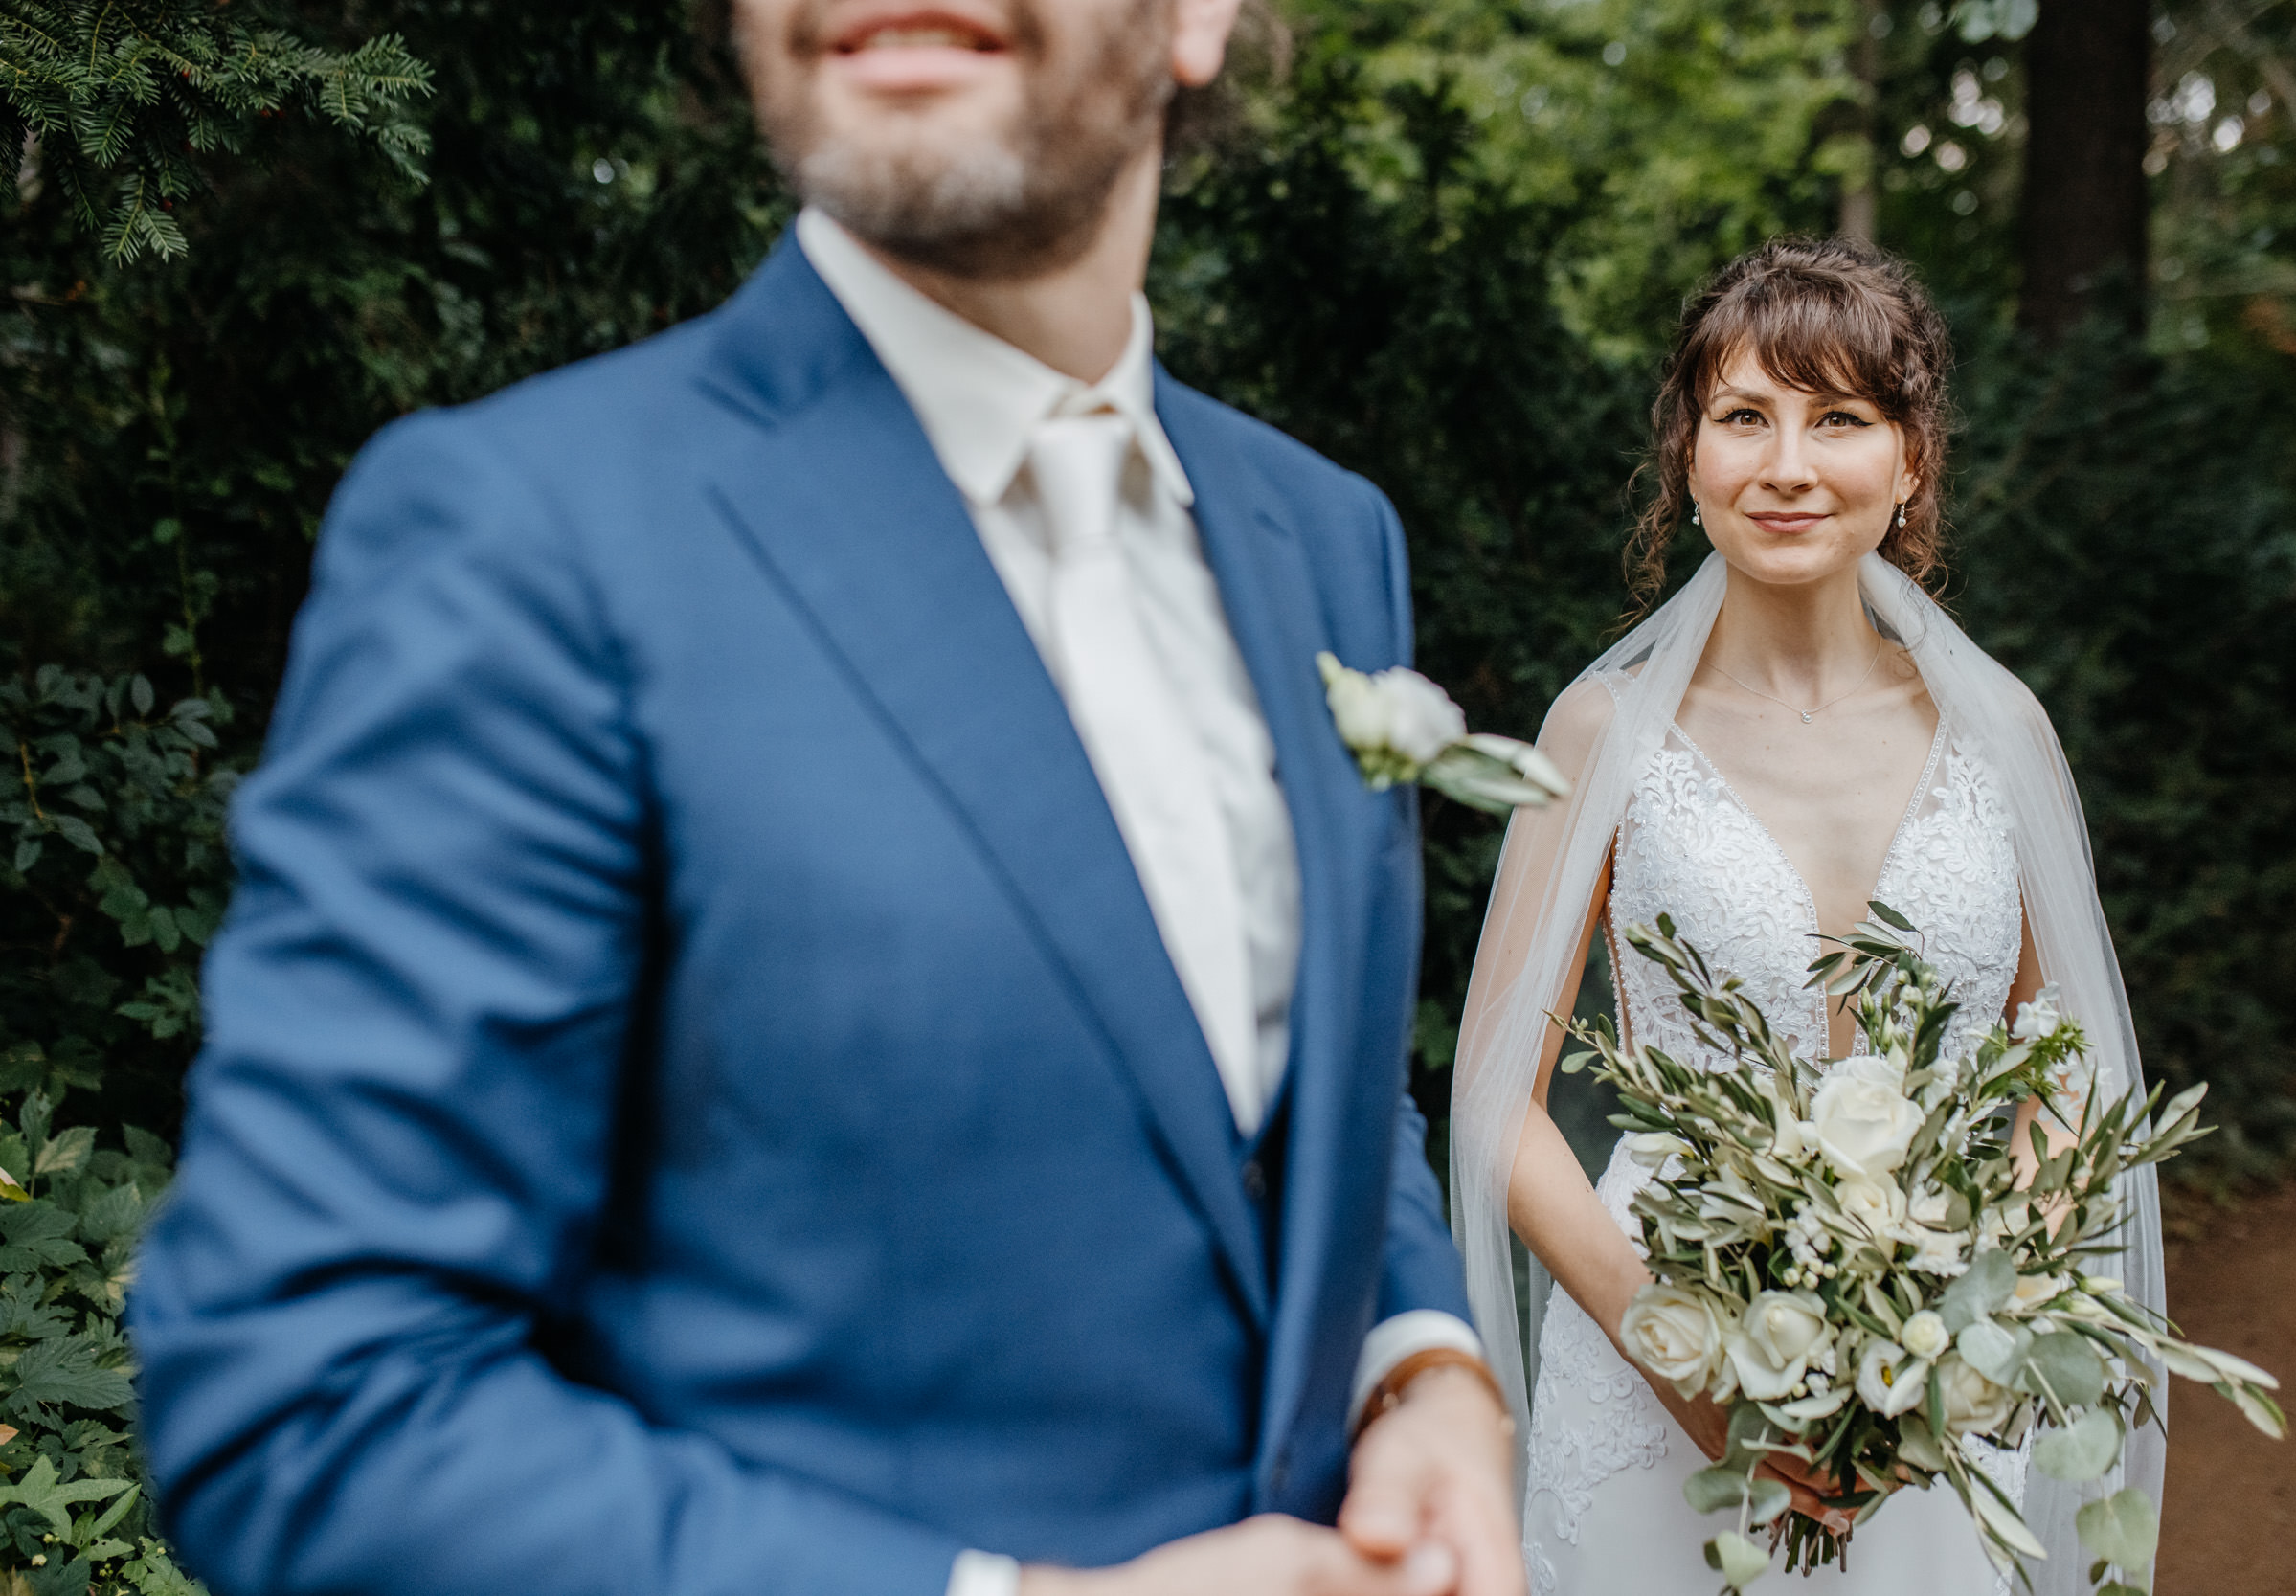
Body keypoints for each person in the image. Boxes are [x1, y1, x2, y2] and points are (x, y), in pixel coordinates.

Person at [127, 4, 1523, 1595]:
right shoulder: (527, 539)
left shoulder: (1323, 537)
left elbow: (1309, 1095)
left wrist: (1422, 1374)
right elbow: (310, 1405)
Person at [1444, 238, 2168, 1595]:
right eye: (1745, 417)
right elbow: (1496, 1102)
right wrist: (1702, 1373)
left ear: (1913, 463)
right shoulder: (1601, 733)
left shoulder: (2000, 729)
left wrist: (1973, 1327)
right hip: (1660, 1350)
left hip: (1937, 1374)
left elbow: (2062, 1052)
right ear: (1690, 458)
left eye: (1840, 417)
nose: (1788, 463)